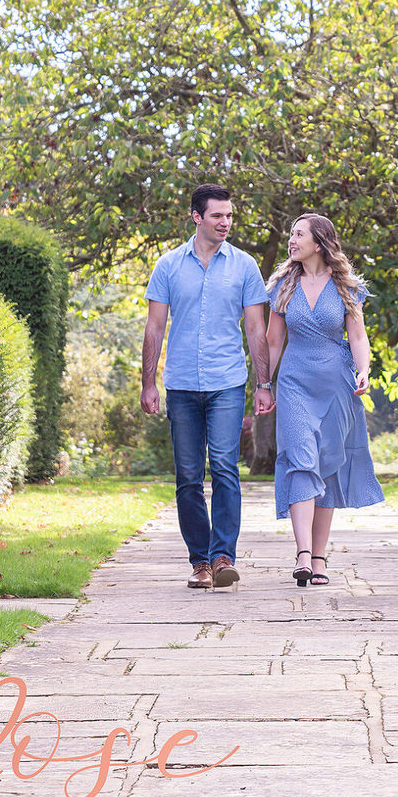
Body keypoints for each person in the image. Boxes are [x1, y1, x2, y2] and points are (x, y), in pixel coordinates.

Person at [141, 184, 273, 590]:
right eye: (217, 216)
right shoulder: (167, 266)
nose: (225, 223)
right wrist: (147, 383)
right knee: (188, 476)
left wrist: (263, 383)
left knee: (225, 469)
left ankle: (222, 557)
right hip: (180, 384)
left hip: (227, 383)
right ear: (196, 217)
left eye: (229, 216)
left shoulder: (245, 266)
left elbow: (255, 328)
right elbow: (155, 327)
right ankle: (198, 561)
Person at [263, 212, 384, 587]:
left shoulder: (346, 285)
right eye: (292, 233)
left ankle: (319, 558)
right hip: (295, 382)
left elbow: (358, 337)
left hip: (336, 385)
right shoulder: (283, 284)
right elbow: (272, 340)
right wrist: (264, 383)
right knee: (302, 460)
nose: (292, 239)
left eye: (299, 234)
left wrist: (363, 370)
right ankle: (301, 554)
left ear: (319, 242)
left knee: (327, 467)